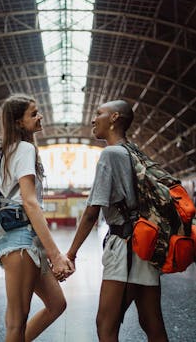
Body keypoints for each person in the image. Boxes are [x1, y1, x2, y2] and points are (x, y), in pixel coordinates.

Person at [66, 100, 169, 342]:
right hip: (145, 244)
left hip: (125, 247)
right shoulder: (134, 151)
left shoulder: (111, 154)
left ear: (114, 118)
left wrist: (71, 253)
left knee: (106, 325)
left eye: (98, 114)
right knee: (151, 321)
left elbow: (92, 212)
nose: (93, 119)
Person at [0, 93, 74, 342]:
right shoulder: (24, 148)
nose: (40, 116)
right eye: (33, 113)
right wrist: (56, 255)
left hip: (28, 242)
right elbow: (29, 202)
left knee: (56, 304)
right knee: (16, 323)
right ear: (19, 123)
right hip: (20, 242)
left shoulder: (12, 150)